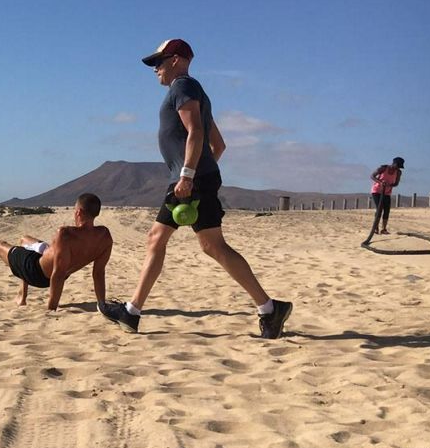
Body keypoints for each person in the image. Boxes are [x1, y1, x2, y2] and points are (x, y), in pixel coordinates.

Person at [99, 39, 292, 339]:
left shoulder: (183, 87)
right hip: (196, 179)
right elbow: (219, 145)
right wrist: (201, 171)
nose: (155, 69)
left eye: (159, 62)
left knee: (169, 240)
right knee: (205, 245)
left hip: (189, 181)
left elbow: (197, 132)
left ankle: (132, 311)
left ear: (175, 60)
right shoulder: (195, 91)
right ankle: (269, 309)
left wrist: (189, 176)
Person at [0, 195, 112, 311]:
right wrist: (102, 304)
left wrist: (51, 308)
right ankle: (21, 295)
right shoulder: (104, 236)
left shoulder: (65, 234)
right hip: (51, 261)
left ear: (78, 212)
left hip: (36, 272)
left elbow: (57, 275)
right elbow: (98, 274)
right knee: (25, 239)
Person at [370, 157, 404, 234]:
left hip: (387, 192)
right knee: (379, 208)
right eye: (397, 166)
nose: (398, 168)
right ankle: (376, 228)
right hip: (377, 191)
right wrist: (380, 182)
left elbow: (396, 183)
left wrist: (391, 185)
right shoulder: (383, 168)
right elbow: (372, 176)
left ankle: (384, 229)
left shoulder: (398, 172)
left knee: (387, 210)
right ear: (394, 163)